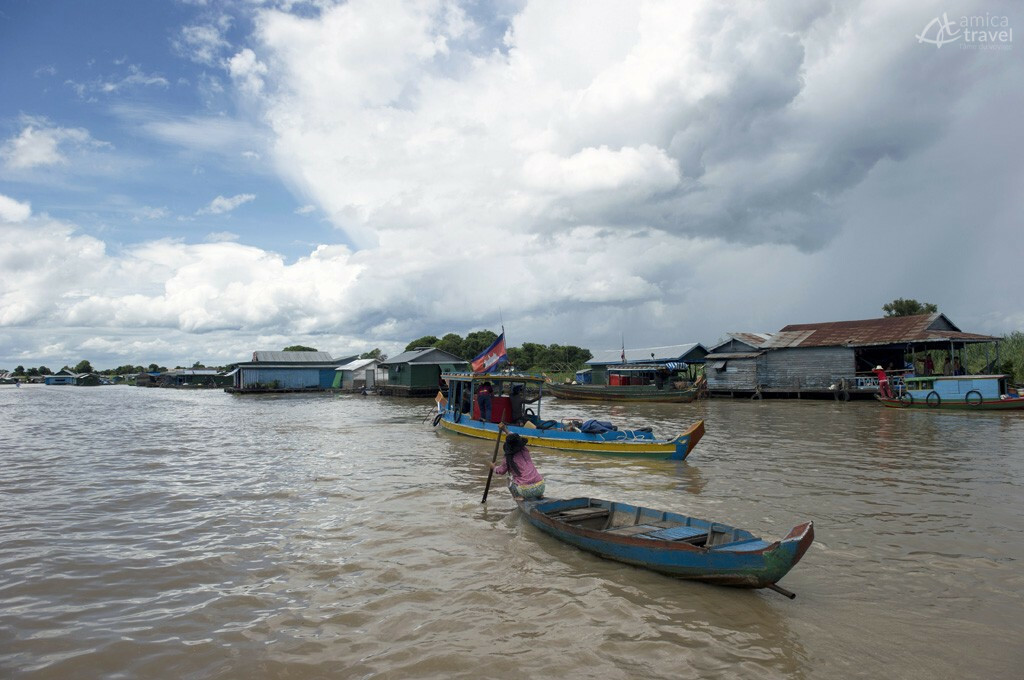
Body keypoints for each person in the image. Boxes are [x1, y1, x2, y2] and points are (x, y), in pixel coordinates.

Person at [491, 433, 545, 499]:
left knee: (511, 481)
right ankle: (540, 495)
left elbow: (501, 471)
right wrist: (505, 430)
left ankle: (520, 497)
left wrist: (493, 467)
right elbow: (514, 439)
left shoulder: (507, 459)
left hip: (525, 491)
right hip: (541, 486)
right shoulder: (525, 450)